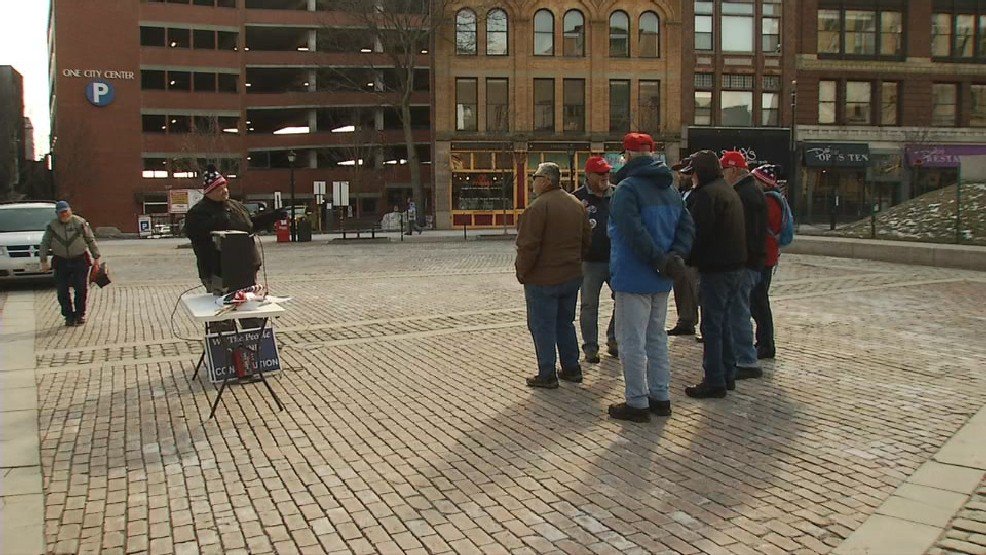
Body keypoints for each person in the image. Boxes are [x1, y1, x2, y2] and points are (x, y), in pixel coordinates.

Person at [608, 133, 694, 422]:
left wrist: (658, 259)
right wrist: (674, 258)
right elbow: (686, 226)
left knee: (631, 339)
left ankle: (637, 401)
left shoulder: (627, 189)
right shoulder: (670, 189)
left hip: (634, 275)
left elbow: (632, 231)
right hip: (662, 277)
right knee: (656, 337)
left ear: (628, 155)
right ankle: (661, 395)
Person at [515, 162, 592, 389]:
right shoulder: (576, 204)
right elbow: (587, 240)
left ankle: (547, 373)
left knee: (542, 325)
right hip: (571, 275)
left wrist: (522, 272)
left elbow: (528, 246)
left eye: (535, 177)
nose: (533, 182)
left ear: (546, 180)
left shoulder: (538, 208)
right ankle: (571, 367)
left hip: (543, 279)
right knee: (564, 323)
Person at [681, 151, 747, 399]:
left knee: (712, 325)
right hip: (734, 266)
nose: (691, 178)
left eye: (693, 173)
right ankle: (726, 374)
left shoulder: (707, 195)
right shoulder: (726, 189)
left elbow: (698, 233)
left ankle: (714, 379)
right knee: (723, 322)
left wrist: (686, 258)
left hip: (717, 269)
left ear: (701, 172)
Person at [184, 165, 284, 294]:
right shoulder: (198, 212)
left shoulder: (235, 206)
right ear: (209, 192)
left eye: (225, 187)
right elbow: (193, 233)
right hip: (217, 271)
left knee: (247, 306)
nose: (225, 191)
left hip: (246, 266)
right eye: (219, 189)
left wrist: (272, 216)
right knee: (223, 307)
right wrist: (218, 219)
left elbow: (250, 225)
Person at [720, 151, 767, 381]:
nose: (723, 175)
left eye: (724, 171)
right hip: (751, 260)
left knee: (739, 311)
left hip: (745, 262)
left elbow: (743, 232)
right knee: (738, 309)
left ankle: (746, 359)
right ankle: (742, 356)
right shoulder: (751, 190)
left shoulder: (744, 194)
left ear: (735, 170)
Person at [573, 156, 617, 364]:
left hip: (616, 260)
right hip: (590, 262)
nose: (605, 176)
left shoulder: (618, 194)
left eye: (607, 172)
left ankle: (614, 338)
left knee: (624, 301)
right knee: (589, 306)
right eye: (600, 173)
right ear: (588, 175)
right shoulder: (576, 199)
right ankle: (590, 347)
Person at [39, 201, 101, 326]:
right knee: (62, 291)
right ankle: (68, 315)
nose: (64, 214)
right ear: (57, 213)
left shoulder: (80, 223)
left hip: (79, 260)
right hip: (60, 261)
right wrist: (43, 260)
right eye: (61, 212)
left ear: (70, 211)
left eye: (66, 211)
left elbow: (90, 239)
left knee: (81, 289)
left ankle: (80, 314)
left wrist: (96, 258)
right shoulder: (52, 226)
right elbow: (45, 243)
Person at [750, 164, 785, 360]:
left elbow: (761, 226)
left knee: (759, 301)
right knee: (758, 300)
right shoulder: (774, 199)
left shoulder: (769, 201)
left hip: (764, 255)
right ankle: (762, 341)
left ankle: (766, 343)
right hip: (768, 254)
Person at [667, 158, 701, 337]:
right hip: (682, 250)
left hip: (692, 250)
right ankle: (685, 319)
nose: (681, 175)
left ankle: (688, 320)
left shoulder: (698, 194)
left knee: (691, 286)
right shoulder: (682, 193)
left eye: (685, 172)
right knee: (682, 286)